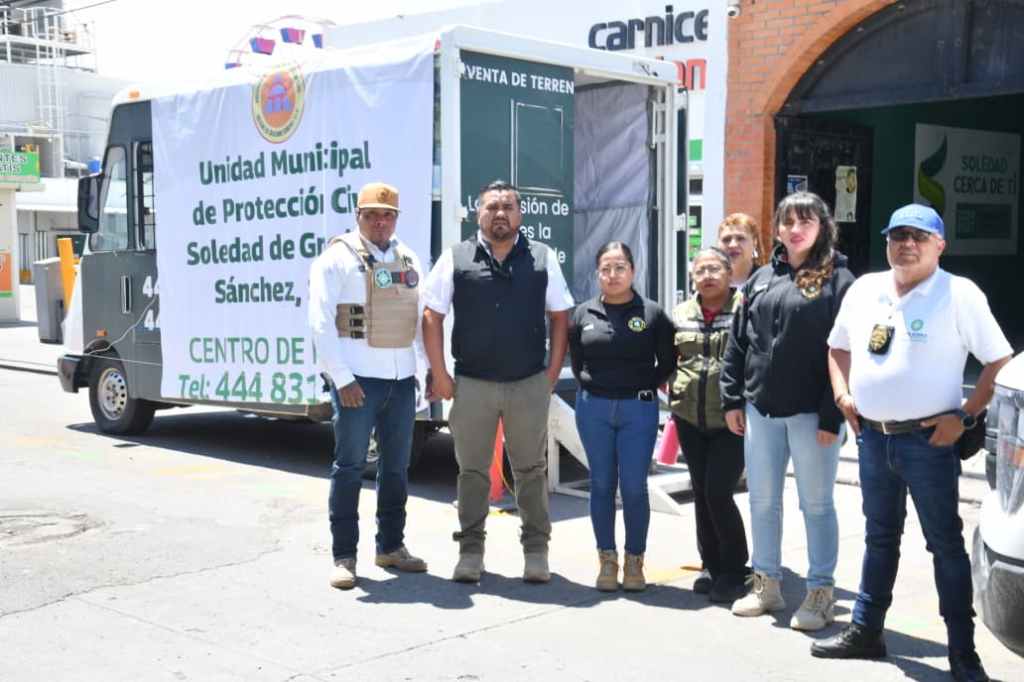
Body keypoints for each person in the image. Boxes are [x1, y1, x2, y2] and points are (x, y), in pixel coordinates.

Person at [813, 204, 1012, 682]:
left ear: (940, 245)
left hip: (930, 441)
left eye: (919, 236)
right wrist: (842, 394)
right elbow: (836, 346)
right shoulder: (865, 289)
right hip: (874, 439)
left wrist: (964, 418)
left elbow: (999, 361)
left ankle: (962, 654)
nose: (906, 243)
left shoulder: (958, 293)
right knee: (879, 538)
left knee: (944, 545)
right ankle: (866, 630)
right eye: (897, 234)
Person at [421, 180, 573, 584]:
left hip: (527, 383)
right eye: (492, 207)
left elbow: (561, 316)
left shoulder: (542, 258)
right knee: (471, 472)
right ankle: (471, 551)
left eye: (508, 206)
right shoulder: (456, 258)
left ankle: (536, 551)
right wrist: (440, 374)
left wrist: (551, 375)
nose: (500, 213)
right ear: (478, 214)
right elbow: (431, 315)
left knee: (530, 469)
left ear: (520, 214)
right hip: (473, 385)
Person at [721, 191, 855, 630]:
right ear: (776, 228)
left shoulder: (840, 280)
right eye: (787, 222)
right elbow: (738, 341)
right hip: (761, 411)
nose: (795, 230)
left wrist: (833, 412)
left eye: (806, 221)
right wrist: (731, 398)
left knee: (816, 504)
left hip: (813, 416)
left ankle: (820, 591)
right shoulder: (761, 278)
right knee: (762, 501)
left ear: (822, 228)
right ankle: (767, 584)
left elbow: (848, 351)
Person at [308, 181, 428, 590]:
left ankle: (391, 546)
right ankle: (344, 556)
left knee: (396, 468)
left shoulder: (408, 256)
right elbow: (321, 322)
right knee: (350, 467)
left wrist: (424, 373)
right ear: (358, 214)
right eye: (372, 214)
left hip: (401, 381)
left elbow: (416, 318)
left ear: (396, 218)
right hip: (357, 382)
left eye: (388, 214)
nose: (380, 221)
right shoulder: (335, 258)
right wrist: (341, 379)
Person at [568, 241, 675, 592]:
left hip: (637, 409)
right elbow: (579, 361)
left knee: (633, 486)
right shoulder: (582, 314)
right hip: (594, 408)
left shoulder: (653, 314)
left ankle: (634, 562)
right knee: (601, 484)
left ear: (632, 270)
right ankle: (607, 560)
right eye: (605, 269)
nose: (612, 275)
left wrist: (644, 384)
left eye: (619, 267)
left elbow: (669, 361)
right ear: (597, 273)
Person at [670, 247, 749, 603]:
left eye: (715, 268)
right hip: (689, 417)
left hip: (730, 419)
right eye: (700, 270)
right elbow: (667, 356)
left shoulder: (745, 309)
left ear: (730, 273)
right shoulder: (681, 313)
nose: (707, 276)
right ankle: (711, 565)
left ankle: (735, 570)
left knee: (719, 491)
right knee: (701, 492)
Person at [717, 212, 764, 286]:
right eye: (726, 239)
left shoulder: (769, 281)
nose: (733, 245)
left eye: (740, 238)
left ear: (754, 242)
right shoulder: (710, 282)